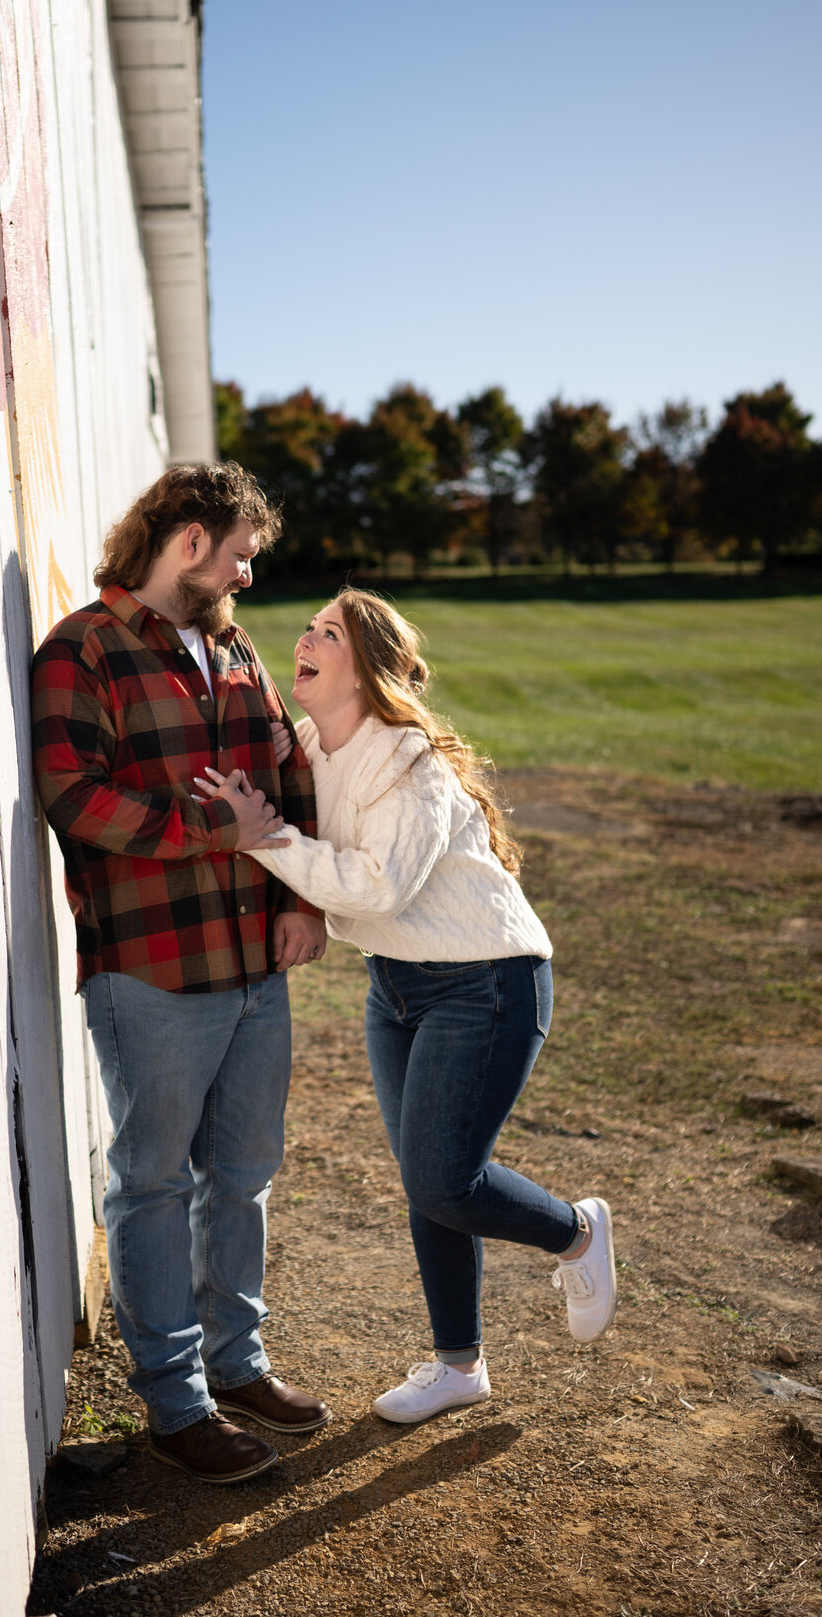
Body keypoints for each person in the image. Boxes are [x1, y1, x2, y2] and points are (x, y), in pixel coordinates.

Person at [195, 588, 617, 1426]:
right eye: (308, 626)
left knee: (442, 1178)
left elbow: (378, 886)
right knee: (433, 1183)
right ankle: (460, 1366)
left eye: (329, 633)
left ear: (368, 669)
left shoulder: (409, 761)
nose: (304, 639)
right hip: (397, 987)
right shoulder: (316, 742)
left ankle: (577, 1232)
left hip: (487, 983)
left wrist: (262, 838)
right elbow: (307, 795)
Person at [31, 463, 331, 1483]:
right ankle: (174, 1404)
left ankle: (236, 1364)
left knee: (242, 1178)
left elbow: (288, 772)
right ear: (191, 539)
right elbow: (73, 795)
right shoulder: (85, 649)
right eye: (242, 550)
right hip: (152, 968)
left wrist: (300, 899)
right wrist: (215, 826)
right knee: (154, 1181)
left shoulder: (236, 644)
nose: (248, 571)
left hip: (258, 960)